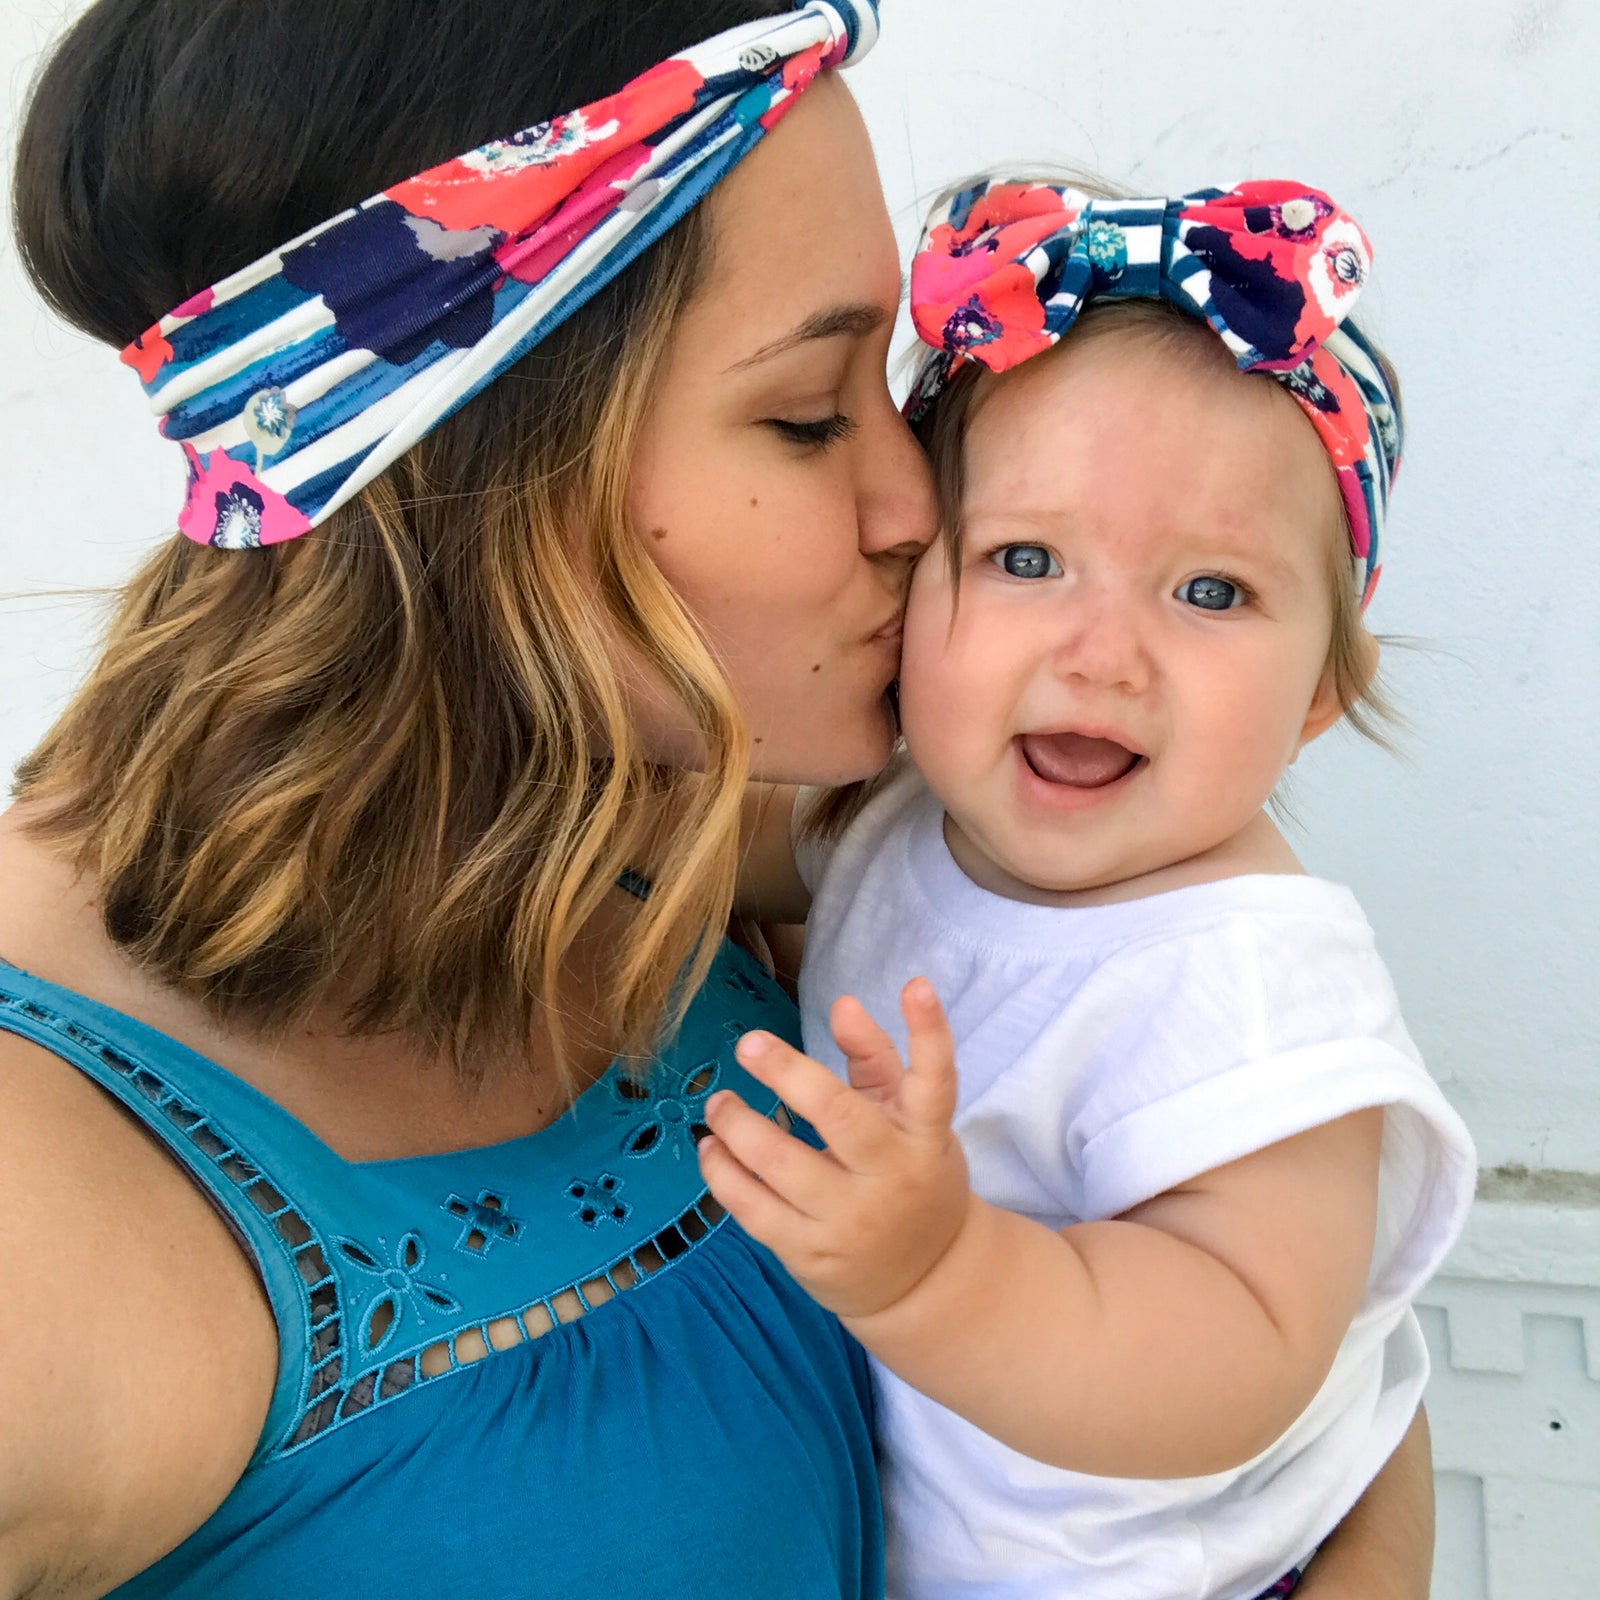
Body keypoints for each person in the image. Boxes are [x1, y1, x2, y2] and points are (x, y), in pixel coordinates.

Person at [0, 0, 1434, 1590]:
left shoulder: (676, 829)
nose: (922, 507)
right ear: (477, 466)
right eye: (812, 414)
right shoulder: (53, 1227)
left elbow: (1298, 1315)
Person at [701, 179, 1476, 1599]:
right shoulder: (906, 816)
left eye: (1211, 594)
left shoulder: (1251, 980)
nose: (1101, 653)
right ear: (909, 598)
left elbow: (1242, 1348)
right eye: (1026, 560)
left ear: (1319, 697)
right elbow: (713, 850)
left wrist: (943, 1276)